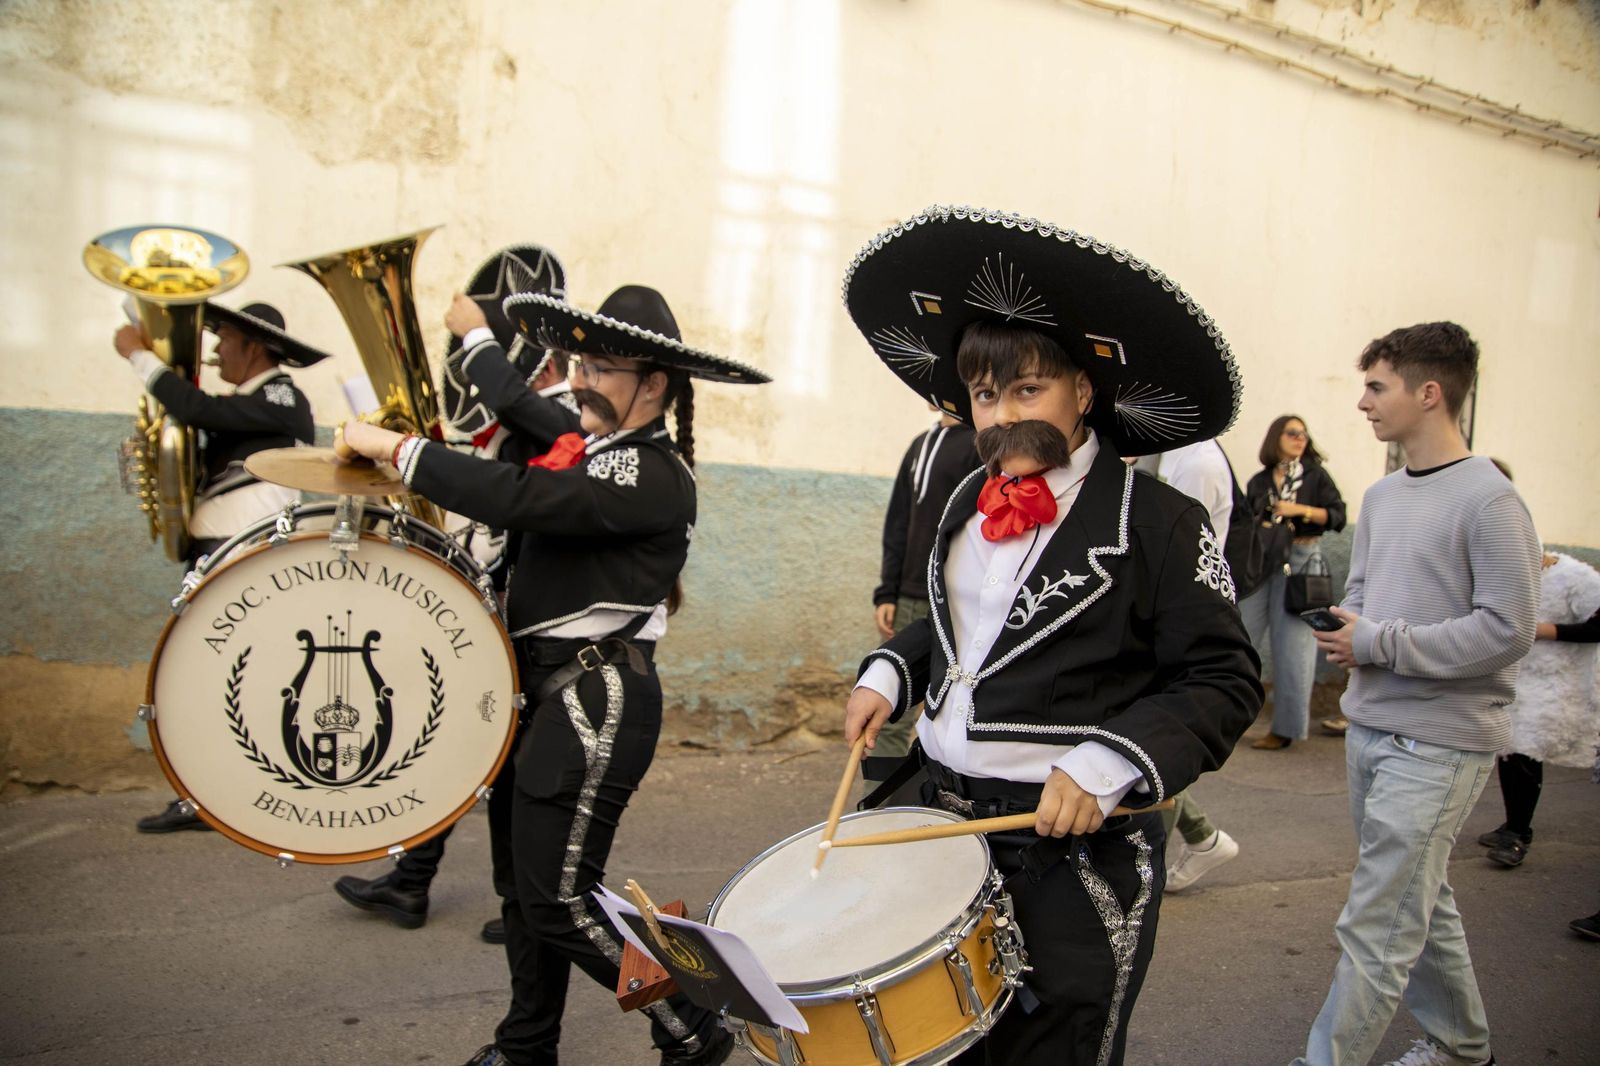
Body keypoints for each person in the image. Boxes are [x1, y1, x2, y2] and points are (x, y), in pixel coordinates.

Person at [842, 204, 1261, 1065]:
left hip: (1069, 856)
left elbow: (1223, 681)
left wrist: (1108, 761)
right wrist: (890, 669)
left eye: (1027, 389)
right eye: (985, 394)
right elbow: (968, 628)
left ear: (1083, 392)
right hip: (942, 827)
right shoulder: (968, 494)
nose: (999, 418)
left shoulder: (1162, 522)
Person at [340, 283, 768, 1066]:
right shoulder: (600, 449)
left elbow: (522, 493)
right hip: (546, 696)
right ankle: (527, 1046)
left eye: (601, 367)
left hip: (595, 697)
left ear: (654, 386)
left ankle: (691, 1026)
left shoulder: (653, 472)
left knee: (560, 901)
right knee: (524, 895)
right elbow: (532, 441)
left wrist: (400, 452)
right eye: (578, 362)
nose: (579, 379)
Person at [1295, 321, 1539, 1066]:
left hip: (1439, 743)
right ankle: (1464, 1046)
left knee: (1376, 921)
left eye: (1377, 386)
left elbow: (1508, 630)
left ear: (1429, 393)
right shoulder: (1382, 495)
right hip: (1371, 728)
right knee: (1419, 905)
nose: (1363, 402)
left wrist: (1379, 643)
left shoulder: (1493, 503)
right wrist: (1348, 631)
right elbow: (1367, 595)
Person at [333, 246, 582, 946]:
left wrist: (476, 331)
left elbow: (509, 400)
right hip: (493, 598)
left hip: (526, 613)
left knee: (494, 760)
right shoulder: (533, 414)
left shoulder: (563, 415)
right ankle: (424, 882)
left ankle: (515, 903)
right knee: (463, 744)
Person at [115, 301, 329, 834]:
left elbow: (197, 409)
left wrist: (141, 358)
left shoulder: (281, 395)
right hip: (221, 551)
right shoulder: (253, 401)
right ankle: (210, 795)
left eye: (224, 340)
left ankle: (220, 796)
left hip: (240, 554)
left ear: (253, 347)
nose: (215, 351)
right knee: (210, 679)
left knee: (225, 679)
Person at [1133, 440, 1246, 893]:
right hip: (1158, 614)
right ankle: (1203, 838)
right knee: (1138, 747)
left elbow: (1171, 553)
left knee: (1156, 746)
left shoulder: (1197, 464)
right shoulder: (1172, 459)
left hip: (1171, 618)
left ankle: (1148, 870)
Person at [867, 407, 979, 780]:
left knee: (950, 709)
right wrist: (888, 590)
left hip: (953, 599)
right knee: (889, 715)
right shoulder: (920, 444)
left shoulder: (979, 444)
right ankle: (877, 809)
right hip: (909, 595)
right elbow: (897, 519)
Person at [1475, 546, 1600, 868]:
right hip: (1515, 676)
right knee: (1508, 748)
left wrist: (1545, 631)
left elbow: (1597, 626)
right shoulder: (1507, 578)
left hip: (1554, 681)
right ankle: (1512, 823)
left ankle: (1517, 833)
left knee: (1524, 750)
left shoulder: (1576, 578)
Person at [1239, 415, 1347, 748]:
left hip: (1301, 562)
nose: (1300, 438)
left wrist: (1298, 510)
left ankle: (1284, 730)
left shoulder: (1315, 476)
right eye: (1292, 433)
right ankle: (1226, 717)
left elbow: (1338, 516)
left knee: (1294, 651)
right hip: (1263, 564)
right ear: (1276, 438)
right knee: (1238, 638)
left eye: (1304, 433)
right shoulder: (1260, 480)